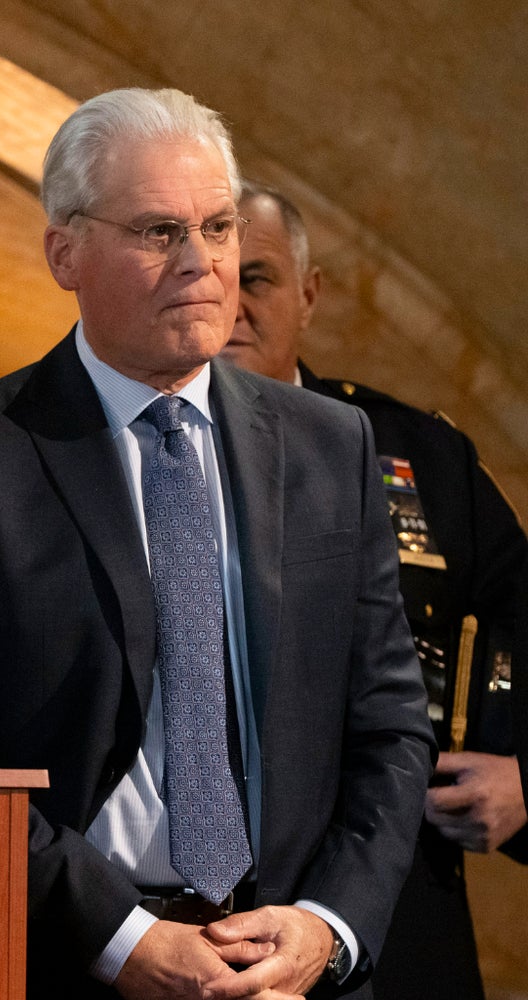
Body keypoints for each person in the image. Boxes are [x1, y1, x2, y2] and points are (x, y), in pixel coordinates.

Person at [0, 88, 433, 999]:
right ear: (65, 253)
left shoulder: (331, 444)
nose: (200, 263)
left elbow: (392, 728)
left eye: (217, 228)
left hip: (290, 968)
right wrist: (121, 941)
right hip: (69, 962)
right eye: (159, 232)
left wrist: (326, 927)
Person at [221, 180, 525, 998]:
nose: (232, 303)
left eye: (258, 278)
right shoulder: (125, 451)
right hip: (195, 914)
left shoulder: (419, 457)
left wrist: (527, 779)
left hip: (395, 906)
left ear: (309, 295)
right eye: (214, 277)